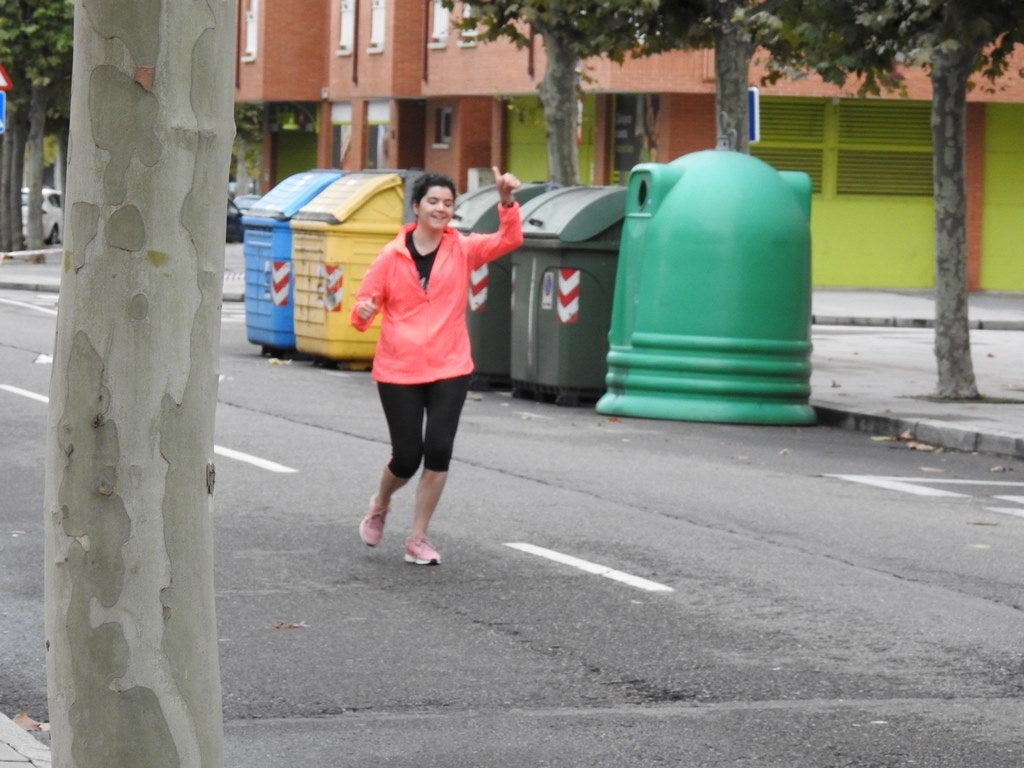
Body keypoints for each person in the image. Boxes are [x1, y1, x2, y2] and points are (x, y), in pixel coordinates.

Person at [350, 167, 523, 565]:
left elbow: (509, 238)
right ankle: (380, 501)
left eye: (448, 203)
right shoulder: (390, 257)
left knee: (439, 449)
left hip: (450, 365)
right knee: (407, 456)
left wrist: (507, 202)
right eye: (433, 201)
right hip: (399, 369)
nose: (441, 208)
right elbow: (362, 313)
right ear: (416, 207)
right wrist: (363, 311)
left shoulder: (461, 247)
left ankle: (418, 537)